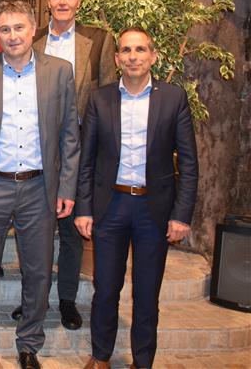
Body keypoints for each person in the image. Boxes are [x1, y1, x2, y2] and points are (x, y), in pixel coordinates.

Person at [0, 0, 79, 369]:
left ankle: (29, 344)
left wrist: (67, 188)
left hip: (39, 188)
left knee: (38, 271)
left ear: (33, 29)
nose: (12, 36)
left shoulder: (59, 71)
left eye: (19, 28)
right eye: (5, 29)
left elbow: (69, 134)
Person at [76, 27, 198, 369]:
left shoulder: (173, 98)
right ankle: (101, 357)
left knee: (146, 294)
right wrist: (84, 208)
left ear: (153, 56)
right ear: (117, 59)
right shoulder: (100, 99)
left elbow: (189, 162)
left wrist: (181, 214)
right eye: (126, 51)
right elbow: (86, 160)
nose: (133, 56)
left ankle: (142, 361)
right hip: (110, 207)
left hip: (153, 211)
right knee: (105, 290)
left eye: (140, 49)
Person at [10, 0, 117, 329]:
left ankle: (67, 300)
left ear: (78, 2)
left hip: (79, 148)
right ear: (48, 1)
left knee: (71, 230)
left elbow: (107, 97)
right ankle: (33, 299)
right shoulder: (33, 39)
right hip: (35, 148)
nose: (62, 2)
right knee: (33, 230)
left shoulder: (98, 40)